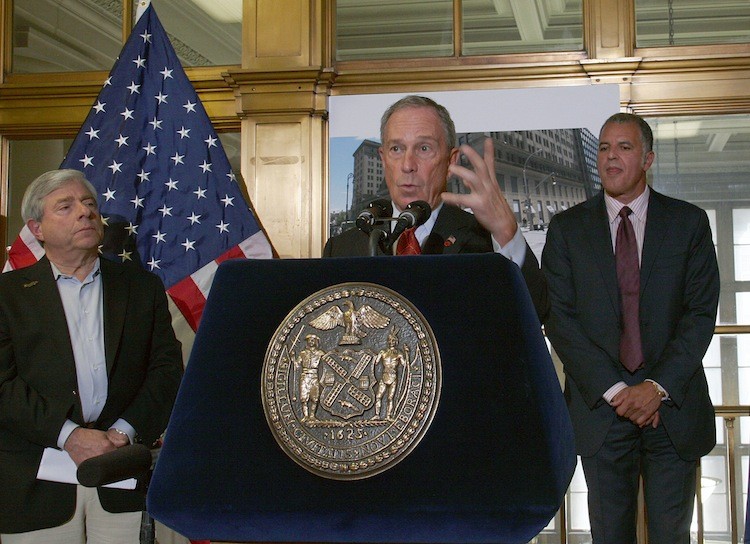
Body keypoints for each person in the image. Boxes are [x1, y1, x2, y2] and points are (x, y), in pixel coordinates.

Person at [542, 113, 719, 543]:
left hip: (671, 410)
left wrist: (655, 388)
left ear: (648, 158)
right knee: (609, 535)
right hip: (602, 412)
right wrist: (619, 392)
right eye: (603, 148)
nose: (610, 157)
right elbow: (558, 318)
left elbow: (699, 315)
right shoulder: (567, 229)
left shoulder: (688, 224)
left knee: (670, 535)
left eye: (623, 147)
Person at [0, 169, 184, 543]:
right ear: (37, 229)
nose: (84, 213)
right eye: (65, 207)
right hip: (35, 480)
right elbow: (3, 386)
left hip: (123, 473)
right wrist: (69, 436)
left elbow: (166, 372)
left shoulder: (141, 287)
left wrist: (121, 433)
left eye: (89, 204)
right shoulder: (8, 294)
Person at [323, 95, 548, 321]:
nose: (408, 165)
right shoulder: (342, 248)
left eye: (423, 148)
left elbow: (534, 316)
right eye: (396, 149)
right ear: (383, 159)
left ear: (450, 161)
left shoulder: (484, 241)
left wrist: (506, 232)